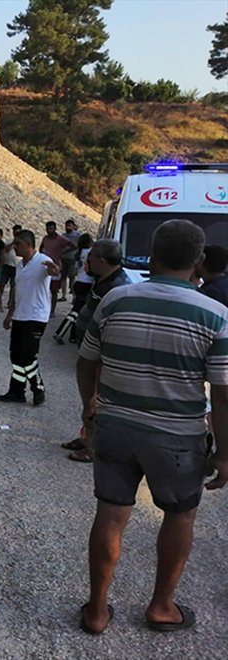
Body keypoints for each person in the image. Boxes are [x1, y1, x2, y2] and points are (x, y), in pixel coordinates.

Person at [76, 219, 228, 635]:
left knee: (110, 515)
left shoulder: (116, 300)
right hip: (178, 438)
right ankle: (161, 606)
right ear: (198, 262)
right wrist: (225, 453)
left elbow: (86, 360)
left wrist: (90, 407)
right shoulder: (216, 315)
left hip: (115, 427)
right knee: (179, 516)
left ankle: (97, 610)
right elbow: (223, 391)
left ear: (153, 255)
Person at [59, 239, 130, 462]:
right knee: (88, 399)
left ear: (101, 260)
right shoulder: (102, 279)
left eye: (90, 258)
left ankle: (93, 448)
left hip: (102, 355)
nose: (86, 262)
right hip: (90, 350)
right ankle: (87, 436)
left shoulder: (119, 287)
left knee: (97, 402)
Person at [0, 229, 60, 405]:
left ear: (28, 244)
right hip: (20, 315)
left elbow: (54, 271)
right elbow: (17, 290)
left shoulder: (42, 261)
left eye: (18, 244)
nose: (15, 247)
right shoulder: (20, 265)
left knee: (28, 356)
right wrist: (10, 313)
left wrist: (54, 269)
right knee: (16, 356)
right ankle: (17, 391)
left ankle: (38, 388)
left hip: (36, 316)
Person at [53, 233, 94, 345]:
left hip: (78, 282)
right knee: (77, 311)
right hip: (87, 283)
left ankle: (72, 336)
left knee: (79, 310)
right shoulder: (91, 252)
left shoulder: (79, 253)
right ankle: (61, 332)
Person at [39, 221, 75, 317]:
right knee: (43, 288)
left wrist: (62, 253)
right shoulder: (45, 238)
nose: (49, 231)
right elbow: (41, 248)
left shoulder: (60, 239)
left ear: (55, 229)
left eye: (51, 229)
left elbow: (73, 246)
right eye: (47, 229)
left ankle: (52, 311)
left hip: (56, 266)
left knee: (54, 290)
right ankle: (43, 308)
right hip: (44, 266)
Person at [0, 225, 22, 310]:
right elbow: (4, 250)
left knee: (13, 286)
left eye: (18, 232)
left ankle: (10, 303)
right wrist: (13, 243)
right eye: (15, 231)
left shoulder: (23, 242)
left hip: (16, 266)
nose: (16, 233)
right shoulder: (8, 240)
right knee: (1, 284)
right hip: (7, 265)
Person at [60, 219, 83, 301]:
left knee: (72, 277)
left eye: (69, 225)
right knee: (63, 277)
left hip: (73, 259)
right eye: (66, 225)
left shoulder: (78, 235)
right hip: (64, 259)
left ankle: (74, 296)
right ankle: (63, 295)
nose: (67, 227)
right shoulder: (63, 236)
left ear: (73, 226)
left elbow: (79, 245)